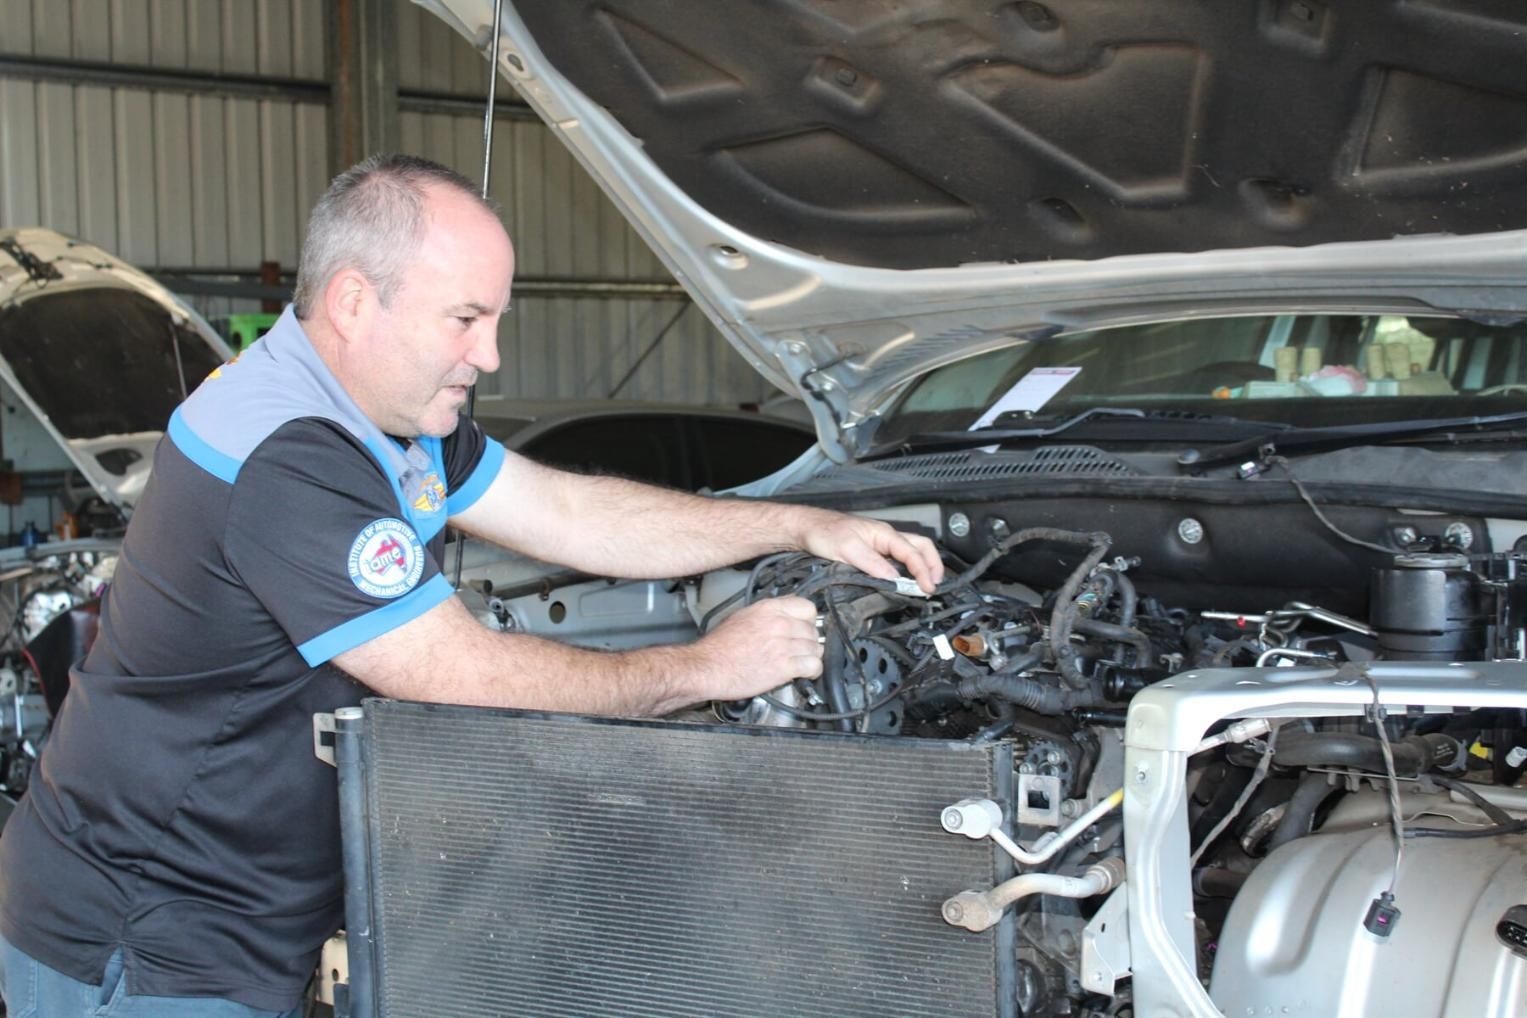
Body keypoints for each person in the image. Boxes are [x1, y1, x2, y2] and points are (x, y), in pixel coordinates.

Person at [0, 154, 942, 1016]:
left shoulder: (387, 418)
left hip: (235, 919)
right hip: (142, 940)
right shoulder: (288, 455)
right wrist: (703, 669)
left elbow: (572, 514)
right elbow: (459, 671)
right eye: (465, 319)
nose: (487, 355)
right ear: (355, 302)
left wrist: (797, 521)